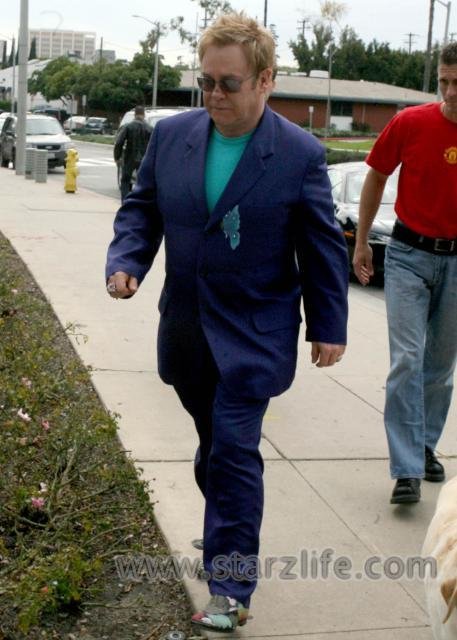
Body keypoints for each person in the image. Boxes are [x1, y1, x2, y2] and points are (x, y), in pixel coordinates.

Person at [106, 12, 348, 632]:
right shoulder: (173, 137)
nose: (214, 95)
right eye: (206, 81)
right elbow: (142, 209)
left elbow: (321, 246)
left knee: (235, 451)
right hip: (188, 328)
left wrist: (328, 324)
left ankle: (231, 586)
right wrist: (127, 260)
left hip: (255, 333)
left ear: (265, 80)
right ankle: (225, 532)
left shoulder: (298, 154)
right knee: (215, 447)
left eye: (229, 84)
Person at [353, 41, 457, 506]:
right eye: (444, 82)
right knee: (407, 361)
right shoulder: (410, 123)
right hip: (408, 255)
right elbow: (376, 174)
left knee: (440, 368)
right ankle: (407, 468)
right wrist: (361, 241)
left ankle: (424, 446)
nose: (450, 92)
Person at [114, 105, 152, 202]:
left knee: (125, 180)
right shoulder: (149, 128)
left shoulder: (128, 126)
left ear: (135, 114)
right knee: (143, 182)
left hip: (129, 157)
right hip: (144, 158)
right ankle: (141, 202)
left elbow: (119, 142)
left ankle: (125, 202)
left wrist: (117, 157)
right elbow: (153, 145)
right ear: (144, 114)